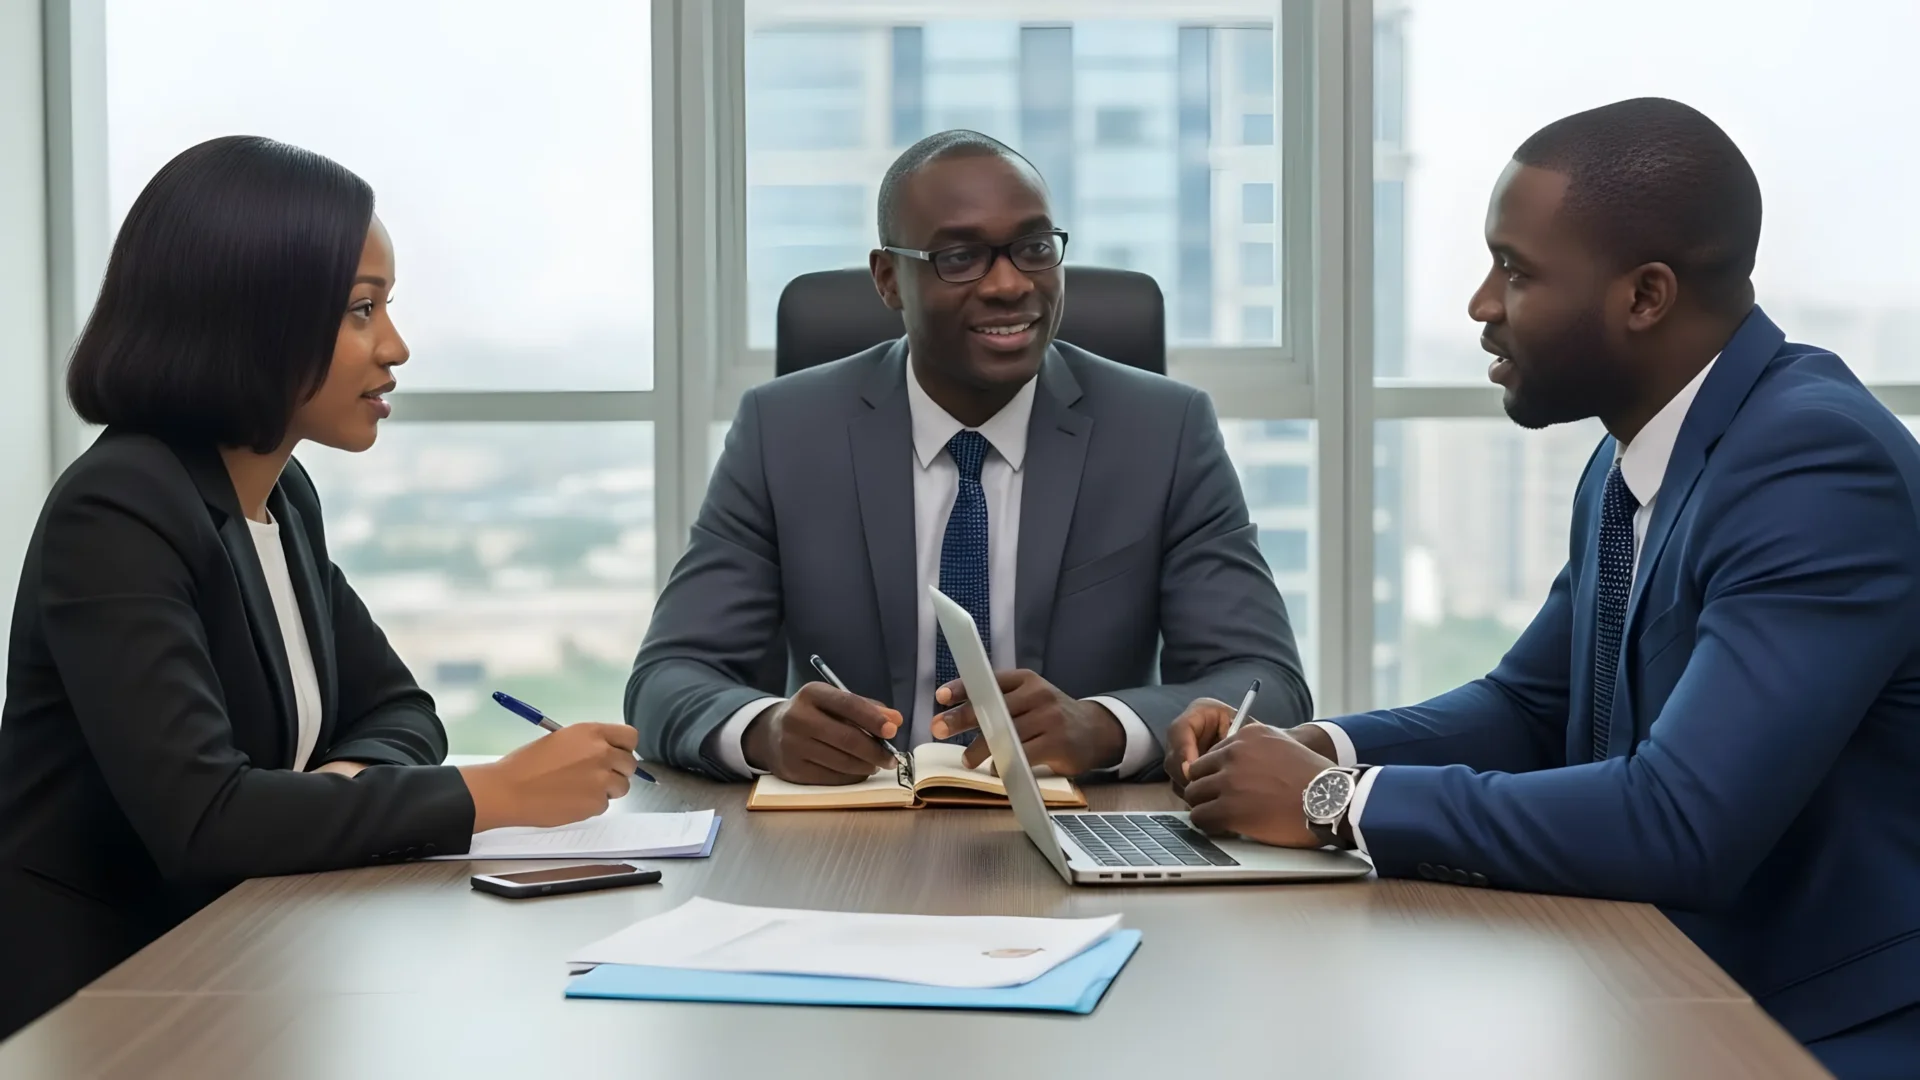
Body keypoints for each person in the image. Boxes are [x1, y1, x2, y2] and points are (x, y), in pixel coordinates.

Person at [1163, 97, 1920, 1077]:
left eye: (1515, 273)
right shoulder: (1630, 459)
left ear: (1644, 296)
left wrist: (1331, 801)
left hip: (1817, 1029)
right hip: (1652, 982)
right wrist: (1322, 744)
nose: (1481, 304)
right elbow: (1532, 704)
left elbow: (1681, 823)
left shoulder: (1813, 468)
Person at [0, 136, 639, 1039]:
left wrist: (322, 793)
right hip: (109, 1001)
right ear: (249, 320)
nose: (397, 347)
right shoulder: (120, 510)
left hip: (247, 960)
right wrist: (494, 794)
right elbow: (206, 821)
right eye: (359, 311)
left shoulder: (279, 494)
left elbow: (406, 711)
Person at [629, 129, 1305, 785]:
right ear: (889, 279)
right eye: (960, 257)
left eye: (1034, 248)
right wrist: (765, 730)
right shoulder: (783, 431)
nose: (1010, 285)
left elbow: (1262, 681)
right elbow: (669, 677)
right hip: (850, 841)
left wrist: (1101, 727)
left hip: (1084, 829)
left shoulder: (1165, 430)